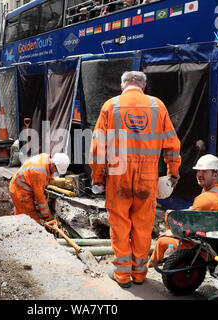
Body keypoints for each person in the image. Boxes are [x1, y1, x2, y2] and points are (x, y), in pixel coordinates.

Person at [90, 71, 181, 288]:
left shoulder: (111, 106)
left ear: (123, 86)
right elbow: (172, 144)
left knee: (120, 224)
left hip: (118, 177)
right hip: (147, 178)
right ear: (144, 85)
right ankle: (139, 274)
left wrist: (98, 177)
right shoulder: (157, 106)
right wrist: (173, 172)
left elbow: (97, 149)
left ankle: (122, 275)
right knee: (142, 224)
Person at [148, 154, 218, 266]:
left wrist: (171, 232)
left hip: (209, 251)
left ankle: (149, 265)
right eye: (198, 171)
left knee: (163, 240)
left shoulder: (205, 199)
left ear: (215, 174)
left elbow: (187, 227)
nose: (199, 174)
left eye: (204, 171)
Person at [9, 152, 70, 226]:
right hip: (20, 192)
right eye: (56, 170)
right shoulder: (39, 173)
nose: (56, 172)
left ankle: (18, 229)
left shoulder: (46, 158)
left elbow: (46, 177)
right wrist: (48, 218)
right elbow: (40, 199)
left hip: (18, 186)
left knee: (21, 214)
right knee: (32, 220)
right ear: (54, 165)